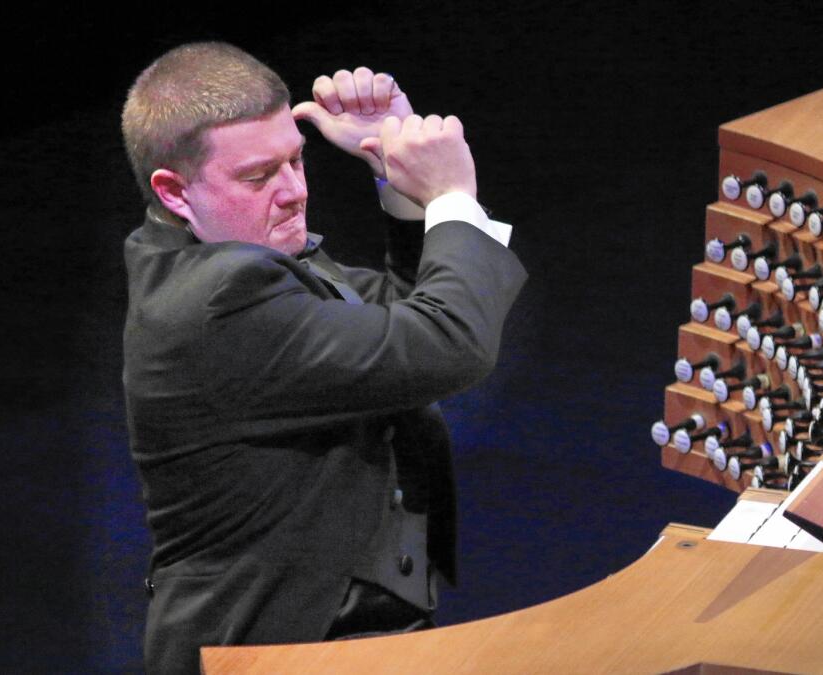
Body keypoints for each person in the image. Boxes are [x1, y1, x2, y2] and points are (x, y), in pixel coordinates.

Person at [120, 42, 526, 674]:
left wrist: (393, 168)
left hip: (353, 632)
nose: (292, 193)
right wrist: (450, 196)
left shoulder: (248, 256)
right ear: (174, 192)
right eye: (257, 177)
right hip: (273, 649)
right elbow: (448, 344)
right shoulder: (217, 299)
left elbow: (398, 317)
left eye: (296, 161)